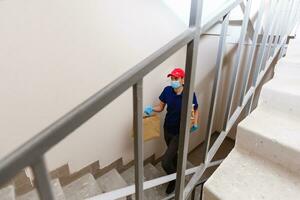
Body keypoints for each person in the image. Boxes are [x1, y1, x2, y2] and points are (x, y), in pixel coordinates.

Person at [144, 68, 199, 194]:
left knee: (165, 162)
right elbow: (161, 107)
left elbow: (195, 109)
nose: (173, 81)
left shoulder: (189, 93)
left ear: (183, 79)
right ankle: (177, 170)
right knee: (173, 154)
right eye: (172, 78)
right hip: (167, 128)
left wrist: (195, 123)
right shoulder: (167, 90)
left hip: (179, 132)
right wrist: (151, 109)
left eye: (176, 78)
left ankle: (174, 179)